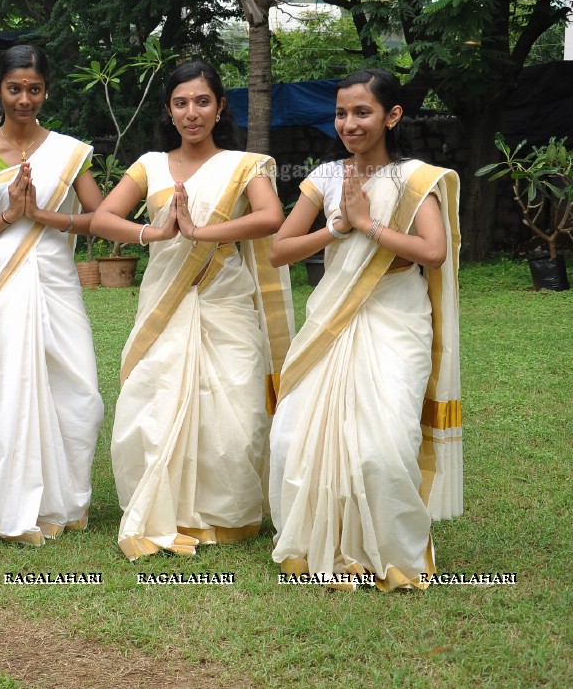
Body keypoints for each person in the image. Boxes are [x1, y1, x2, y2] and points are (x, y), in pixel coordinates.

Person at [90, 61, 294, 560]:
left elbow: (271, 217)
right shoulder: (150, 165)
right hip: (166, 303)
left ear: (220, 107)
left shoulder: (246, 165)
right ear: (169, 110)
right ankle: (165, 506)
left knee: (236, 416)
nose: (192, 112)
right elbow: (101, 218)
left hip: (227, 305)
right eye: (181, 103)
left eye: (203, 101)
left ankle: (228, 515)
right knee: (154, 405)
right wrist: (155, 233)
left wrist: (201, 232)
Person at [268, 68, 461, 590]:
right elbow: (279, 250)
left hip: (395, 321)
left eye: (361, 112)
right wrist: (335, 226)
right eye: (340, 113)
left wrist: (368, 223)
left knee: (384, 444)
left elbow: (434, 252)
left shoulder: (417, 179)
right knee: (294, 435)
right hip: (332, 320)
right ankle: (319, 542)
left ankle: (391, 548)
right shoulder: (326, 177)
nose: (348, 124)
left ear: (391, 116)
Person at [0, 44, 105, 549]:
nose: (24, 98)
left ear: (46, 92)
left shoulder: (69, 151)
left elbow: (100, 219)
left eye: (33, 89)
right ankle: (1, 503)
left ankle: (61, 501)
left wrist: (43, 217)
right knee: (1, 387)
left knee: (78, 390)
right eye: (14, 88)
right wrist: (9, 218)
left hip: (56, 281)